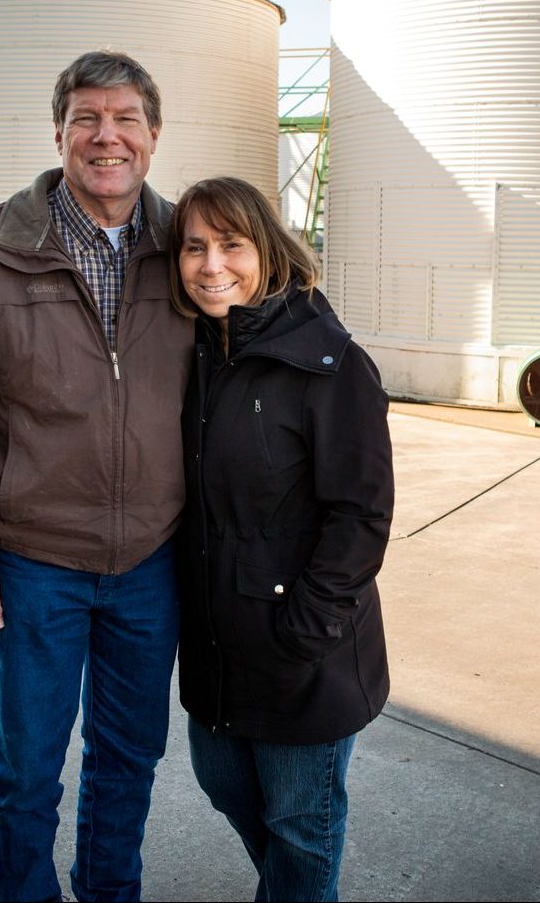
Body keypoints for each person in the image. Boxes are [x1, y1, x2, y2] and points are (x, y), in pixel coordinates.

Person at [0, 51, 193, 903]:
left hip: (153, 564)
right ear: (59, 132)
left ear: (153, 134)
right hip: (32, 566)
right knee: (24, 773)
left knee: (127, 765)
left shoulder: (189, 246)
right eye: (88, 120)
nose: (108, 137)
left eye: (126, 118)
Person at [168, 176, 394, 902]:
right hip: (214, 647)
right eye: (193, 246)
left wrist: (306, 627)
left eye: (230, 243)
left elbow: (360, 514)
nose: (211, 264)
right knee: (225, 785)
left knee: (301, 826)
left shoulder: (328, 364)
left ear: (266, 247)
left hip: (304, 653)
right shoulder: (194, 356)